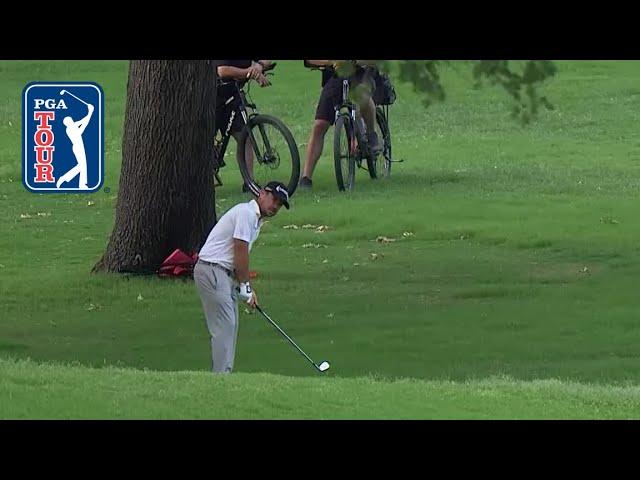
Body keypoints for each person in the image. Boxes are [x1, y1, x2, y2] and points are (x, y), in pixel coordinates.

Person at [194, 180, 290, 373]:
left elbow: (237, 256)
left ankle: (224, 374)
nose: (275, 207)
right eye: (274, 200)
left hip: (222, 273)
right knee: (225, 325)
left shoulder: (255, 220)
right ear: (262, 194)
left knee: (231, 324)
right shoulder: (246, 213)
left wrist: (244, 287)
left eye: (279, 205)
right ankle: (221, 378)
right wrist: (246, 286)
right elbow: (240, 250)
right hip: (212, 270)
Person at [299, 60, 379, 190]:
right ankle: (306, 177)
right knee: (320, 124)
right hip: (336, 75)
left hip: (362, 72)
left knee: (362, 94)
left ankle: (371, 134)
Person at [216, 60, 274, 192]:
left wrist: (259, 66)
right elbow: (222, 70)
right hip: (213, 95)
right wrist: (250, 73)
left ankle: (249, 182)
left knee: (245, 138)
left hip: (233, 93)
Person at [56, 102, 94, 190]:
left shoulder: (73, 126)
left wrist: (90, 112)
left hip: (80, 146)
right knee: (82, 166)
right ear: (67, 123)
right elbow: (83, 125)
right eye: (70, 120)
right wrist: (90, 112)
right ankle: (80, 184)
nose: (72, 121)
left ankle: (69, 179)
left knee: (81, 166)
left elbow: (82, 122)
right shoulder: (70, 130)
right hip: (77, 147)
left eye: (71, 120)